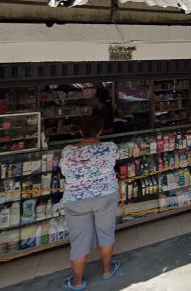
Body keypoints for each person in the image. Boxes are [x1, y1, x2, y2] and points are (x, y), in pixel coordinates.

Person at [59, 116, 121, 289]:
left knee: (78, 240)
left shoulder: (68, 151)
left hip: (76, 200)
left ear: (80, 132)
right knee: (106, 233)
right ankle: (107, 269)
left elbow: (64, 171)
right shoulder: (109, 147)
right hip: (106, 196)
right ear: (100, 131)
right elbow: (115, 160)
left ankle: (77, 280)